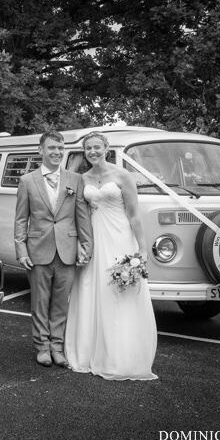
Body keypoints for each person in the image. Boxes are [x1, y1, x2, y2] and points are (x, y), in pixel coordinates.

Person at [65, 132, 158, 380]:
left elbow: (135, 214)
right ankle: (87, 353)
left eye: (97, 147)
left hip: (119, 237)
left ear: (106, 148)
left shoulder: (122, 175)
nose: (92, 152)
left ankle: (119, 356)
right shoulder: (81, 179)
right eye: (88, 148)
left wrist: (142, 248)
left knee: (117, 293)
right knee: (89, 289)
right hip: (94, 238)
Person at [14, 131, 93, 367]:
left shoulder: (75, 180)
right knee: (40, 301)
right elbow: (20, 219)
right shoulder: (27, 181)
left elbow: (82, 217)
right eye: (52, 148)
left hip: (67, 250)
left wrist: (86, 246)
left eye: (60, 148)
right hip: (38, 249)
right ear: (41, 150)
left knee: (61, 303)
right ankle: (42, 347)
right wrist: (21, 250)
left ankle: (57, 347)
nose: (57, 152)